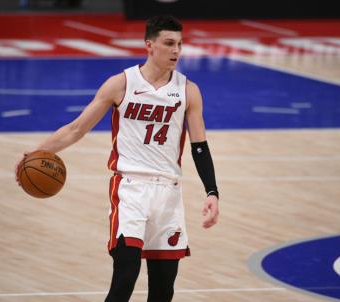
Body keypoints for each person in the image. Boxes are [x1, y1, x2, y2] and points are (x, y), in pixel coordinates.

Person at [16, 15, 219, 302]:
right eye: (169, 43)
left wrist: (212, 192)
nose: (176, 51)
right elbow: (76, 129)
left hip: (169, 193)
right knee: (125, 275)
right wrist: (36, 153)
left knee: (163, 291)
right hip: (130, 189)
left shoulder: (188, 91)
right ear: (150, 45)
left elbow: (200, 146)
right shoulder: (121, 84)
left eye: (180, 44)